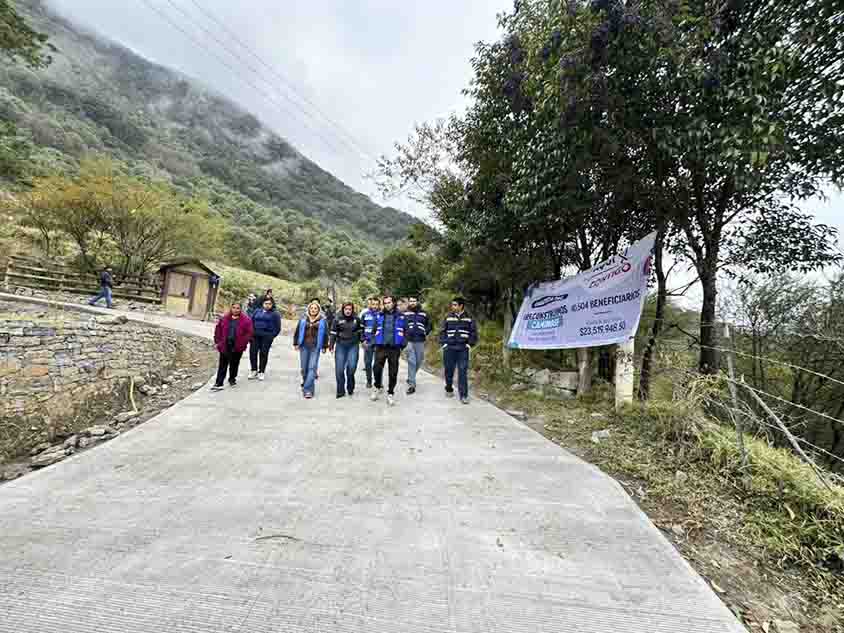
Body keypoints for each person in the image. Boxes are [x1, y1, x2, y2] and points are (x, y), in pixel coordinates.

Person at [439, 296, 478, 404]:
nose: (453, 307)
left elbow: (473, 332)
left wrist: (469, 344)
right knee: (449, 370)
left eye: (455, 305)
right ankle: (449, 388)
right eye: (452, 305)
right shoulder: (447, 317)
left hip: (463, 349)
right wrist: (444, 344)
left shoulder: (469, 318)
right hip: (449, 348)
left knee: (462, 371)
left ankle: (464, 395)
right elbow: (442, 331)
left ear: (461, 306)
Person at [370, 295, 406, 407]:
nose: (387, 304)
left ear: (393, 303)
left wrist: (402, 344)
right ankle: (377, 386)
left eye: (389, 302)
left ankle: (390, 393)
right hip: (381, 347)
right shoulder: (379, 315)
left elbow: (406, 331)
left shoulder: (401, 316)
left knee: (393, 372)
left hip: (394, 348)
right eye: (385, 303)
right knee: (376, 368)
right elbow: (374, 330)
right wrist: (374, 341)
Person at [212, 302, 254, 391]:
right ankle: (219, 383)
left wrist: (243, 342)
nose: (235, 310)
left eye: (237, 308)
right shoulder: (224, 318)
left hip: (237, 346)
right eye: (234, 308)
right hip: (225, 345)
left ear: (240, 309)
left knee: (234, 364)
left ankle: (232, 378)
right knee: (222, 364)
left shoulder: (246, 320)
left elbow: (249, 333)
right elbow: (218, 330)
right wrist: (217, 342)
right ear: (231, 308)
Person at [293, 300, 329, 399]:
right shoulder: (303, 319)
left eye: (315, 308)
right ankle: (306, 383)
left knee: (312, 368)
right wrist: (296, 343)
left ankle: (308, 390)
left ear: (318, 310)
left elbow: (326, 334)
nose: (313, 310)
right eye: (312, 308)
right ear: (309, 309)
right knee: (304, 369)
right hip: (304, 346)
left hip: (315, 347)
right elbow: (297, 332)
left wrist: (325, 346)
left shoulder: (322, 320)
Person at [330, 302, 362, 398]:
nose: (348, 311)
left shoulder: (357, 319)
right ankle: (340, 391)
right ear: (343, 309)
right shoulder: (337, 319)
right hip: (341, 346)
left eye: (350, 309)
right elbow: (333, 332)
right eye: (346, 309)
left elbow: (360, 331)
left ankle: (350, 386)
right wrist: (331, 345)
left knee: (351, 368)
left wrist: (362, 340)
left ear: (352, 310)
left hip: (353, 345)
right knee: (339, 369)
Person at [403, 295, 432, 395]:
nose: (412, 303)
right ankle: (412, 384)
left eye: (414, 301)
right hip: (408, 341)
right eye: (410, 301)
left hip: (420, 340)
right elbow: (401, 326)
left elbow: (429, 325)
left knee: (419, 361)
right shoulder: (405, 313)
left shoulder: (424, 314)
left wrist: (425, 332)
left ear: (418, 302)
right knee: (412, 362)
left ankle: (411, 377)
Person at [248, 297, 281, 381]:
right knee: (253, 353)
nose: (267, 305)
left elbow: (277, 328)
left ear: (272, 304)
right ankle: (254, 370)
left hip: (266, 336)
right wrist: (250, 334)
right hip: (255, 336)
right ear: (262, 304)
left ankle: (261, 372)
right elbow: (251, 322)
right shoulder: (257, 311)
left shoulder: (275, 314)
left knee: (263, 353)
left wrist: (271, 336)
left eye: (269, 304)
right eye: (266, 303)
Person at [359, 296, 381, 389]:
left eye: (376, 304)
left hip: (378, 343)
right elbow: (361, 329)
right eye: (373, 304)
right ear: (370, 304)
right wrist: (362, 340)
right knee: (368, 363)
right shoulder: (365, 314)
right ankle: (369, 381)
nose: (375, 306)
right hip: (368, 342)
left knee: (378, 364)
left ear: (379, 305)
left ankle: (378, 381)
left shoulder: (382, 314)